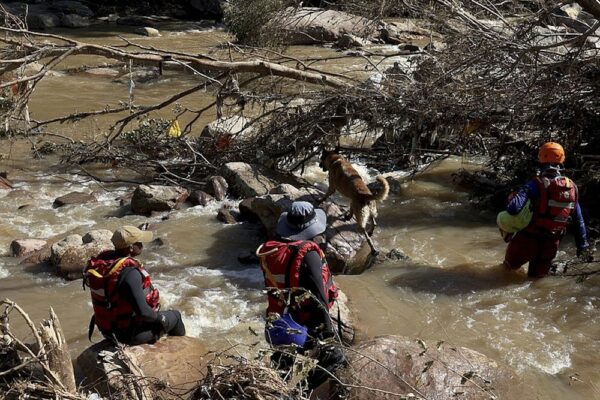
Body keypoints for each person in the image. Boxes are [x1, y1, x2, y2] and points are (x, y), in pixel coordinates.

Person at [256, 201, 346, 390]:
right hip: (304, 324)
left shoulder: (271, 249)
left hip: (279, 321)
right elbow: (319, 298)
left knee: (283, 368)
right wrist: (328, 334)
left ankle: (274, 389)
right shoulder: (308, 254)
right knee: (337, 357)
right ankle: (299, 393)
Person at [503, 142, 592, 278]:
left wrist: (511, 198)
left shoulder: (533, 184)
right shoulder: (571, 187)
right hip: (550, 245)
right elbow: (579, 221)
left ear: (540, 159)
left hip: (526, 241)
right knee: (536, 283)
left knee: (505, 273)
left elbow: (513, 209)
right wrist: (582, 247)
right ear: (562, 160)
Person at [84, 225, 185, 345]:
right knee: (176, 316)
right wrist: (161, 319)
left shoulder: (106, 266)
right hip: (130, 336)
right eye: (139, 242)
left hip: (108, 330)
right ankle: (183, 348)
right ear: (131, 247)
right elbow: (144, 313)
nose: (142, 245)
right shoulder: (130, 274)